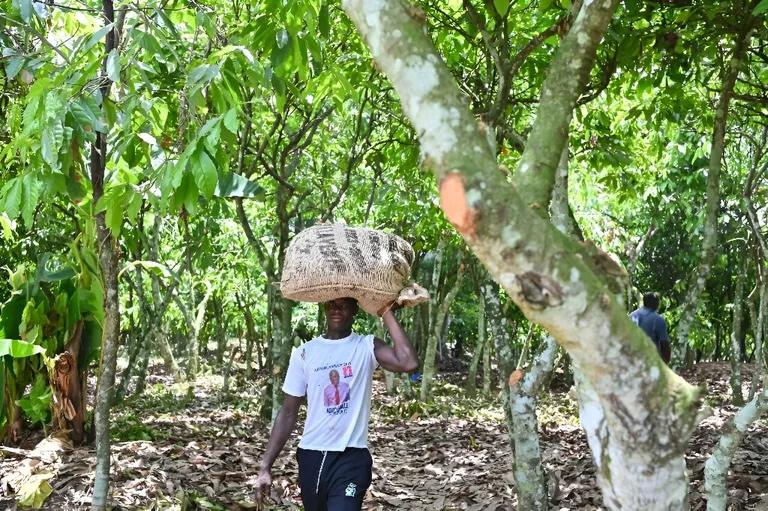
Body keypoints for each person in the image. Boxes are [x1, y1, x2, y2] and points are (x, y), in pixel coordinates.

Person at [255, 297, 418, 510]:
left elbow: (408, 361)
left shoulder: (367, 346)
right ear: (324, 307)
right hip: (311, 456)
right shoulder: (305, 352)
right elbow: (287, 412)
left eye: (343, 304)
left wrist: (386, 311)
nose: (336, 309)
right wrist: (265, 466)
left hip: (351, 458)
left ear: (355, 309)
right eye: (331, 303)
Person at [630, 292, 671, 364]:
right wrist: (665, 364)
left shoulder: (632, 315)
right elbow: (664, 344)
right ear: (656, 304)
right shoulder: (657, 319)